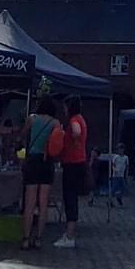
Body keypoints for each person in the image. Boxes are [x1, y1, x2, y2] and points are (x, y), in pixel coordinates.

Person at [20, 94, 61, 250]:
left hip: (32, 160)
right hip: (47, 161)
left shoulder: (32, 118)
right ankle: (38, 238)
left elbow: (23, 135)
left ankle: (25, 238)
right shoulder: (55, 122)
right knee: (43, 203)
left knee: (29, 202)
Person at [55, 97, 89, 248]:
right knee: (71, 197)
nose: (64, 110)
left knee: (70, 198)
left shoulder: (74, 119)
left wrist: (71, 139)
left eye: (65, 107)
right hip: (78, 162)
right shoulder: (81, 118)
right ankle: (69, 233)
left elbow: (76, 132)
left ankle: (70, 235)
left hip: (73, 163)